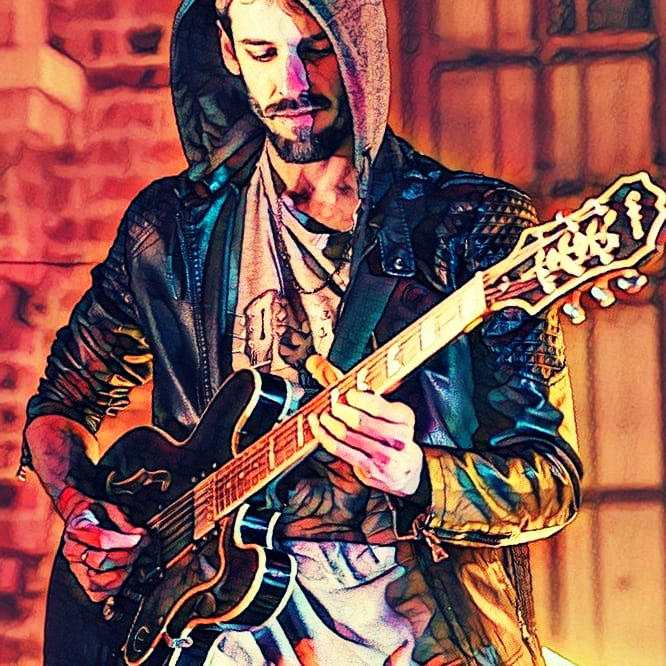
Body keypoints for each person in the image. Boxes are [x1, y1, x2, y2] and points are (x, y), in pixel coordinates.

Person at [21, 0, 583, 664]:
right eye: (263, 53)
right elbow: (63, 402)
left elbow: (550, 480)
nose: (292, 84)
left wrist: (418, 474)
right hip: (199, 634)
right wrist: (84, 513)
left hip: (421, 637)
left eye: (315, 50)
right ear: (228, 50)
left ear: (358, 51)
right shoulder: (169, 231)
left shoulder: (471, 225)